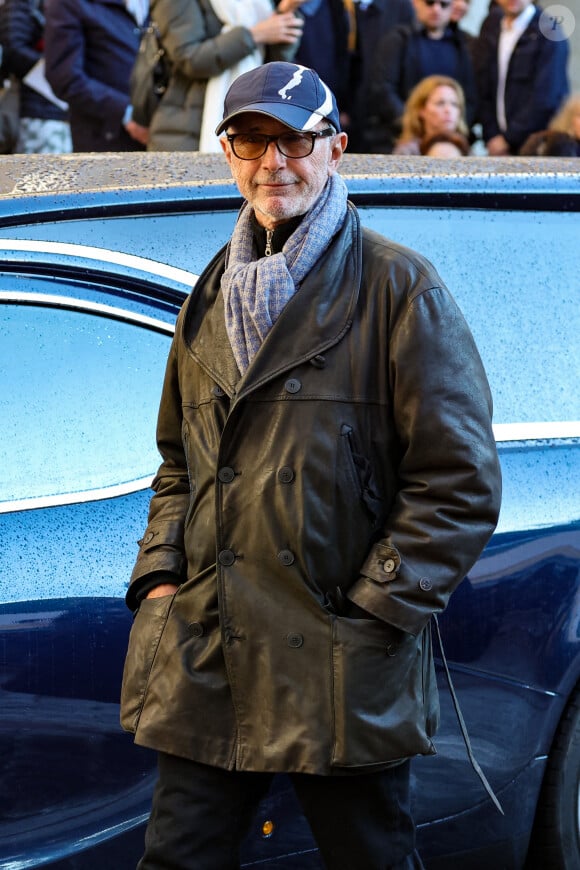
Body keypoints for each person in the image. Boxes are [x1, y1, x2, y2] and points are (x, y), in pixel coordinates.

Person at [120, 60, 502, 870]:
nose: (273, 162)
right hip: (209, 653)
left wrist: (372, 610)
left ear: (336, 150)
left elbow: (459, 481)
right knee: (174, 859)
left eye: (294, 139)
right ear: (227, 152)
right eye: (251, 140)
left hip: (336, 665)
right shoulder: (211, 291)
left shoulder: (400, 288)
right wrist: (161, 578)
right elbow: (176, 463)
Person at [145, 0, 306, 152]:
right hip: (189, 130)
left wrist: (284, 13)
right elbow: (190, 59)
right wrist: (254, 35)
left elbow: (274, 68)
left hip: (252, 117)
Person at [365, 0, 477, 152]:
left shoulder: (461, 45)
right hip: (401, 137)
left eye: (443, 4)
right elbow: (384, 90)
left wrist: (450, 129)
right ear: (416, 3)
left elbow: (470, 97)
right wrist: (414, 125)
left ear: (451, 7)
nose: (436, 9)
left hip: (449, 141)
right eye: (429, 3)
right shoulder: (397, 39)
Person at [44, 0, 149, 151]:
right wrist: (126, 113)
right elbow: (65, 77)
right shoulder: (68, 4)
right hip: (104, 136)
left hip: (154, 129)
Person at [475, 0, 569, 155]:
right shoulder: (491, 26)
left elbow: (547, 97)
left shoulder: (549, 31)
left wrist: (508, 139)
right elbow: (483, 85)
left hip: (535, 146)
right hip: (496, 145)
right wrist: (492, 135)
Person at [0, 0, 71, 153]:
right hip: (37, 109)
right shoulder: (21, 5)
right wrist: (57, 70)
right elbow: (13, 48)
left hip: (60, 111)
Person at [393, 74, 469, 154]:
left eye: (454, 104)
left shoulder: (466, 151)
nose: (448, 110)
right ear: (421, 109)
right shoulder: (406, 153)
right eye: (440, 103)